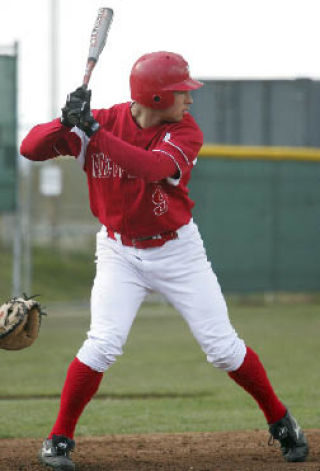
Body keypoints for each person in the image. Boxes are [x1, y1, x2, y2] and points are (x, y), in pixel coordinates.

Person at [20, 51, 308, 470]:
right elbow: (30, 149)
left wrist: (93, 132)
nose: (189, 100)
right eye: (181, 93)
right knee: (102, 343)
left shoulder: (185, 131)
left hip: (177, 251)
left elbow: (151, 167)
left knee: (223, 349)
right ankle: (58, 439)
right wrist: (65, 121)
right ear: (155, 98)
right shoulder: (98, 121)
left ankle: (282, 421)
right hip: (119, 251)